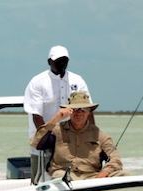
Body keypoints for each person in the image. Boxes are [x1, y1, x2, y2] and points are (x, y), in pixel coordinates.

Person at [23, 45, 91, 183]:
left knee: (76, 176)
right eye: (58, 60)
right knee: (40, 180)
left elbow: (87, 109)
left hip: (72, 139)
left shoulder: (78, 80)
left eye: (65, 60)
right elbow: (37, 115)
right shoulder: (37, 82)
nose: (62, 63)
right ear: (49, 62)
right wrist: (46, 139)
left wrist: (92, 137)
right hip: (44, 139)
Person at [31, 91, 128, 180]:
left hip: (92, 176)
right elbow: (37, 143)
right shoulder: (56, 130)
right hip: (64, 174)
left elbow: (115, 159)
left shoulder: (100, 135)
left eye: (83, 110)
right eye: (75, 109)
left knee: (125, 175)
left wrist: (103, 174)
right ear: (69, 111)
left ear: (89, 112)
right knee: (61, 177)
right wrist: (57, 118)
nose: (79, 113)